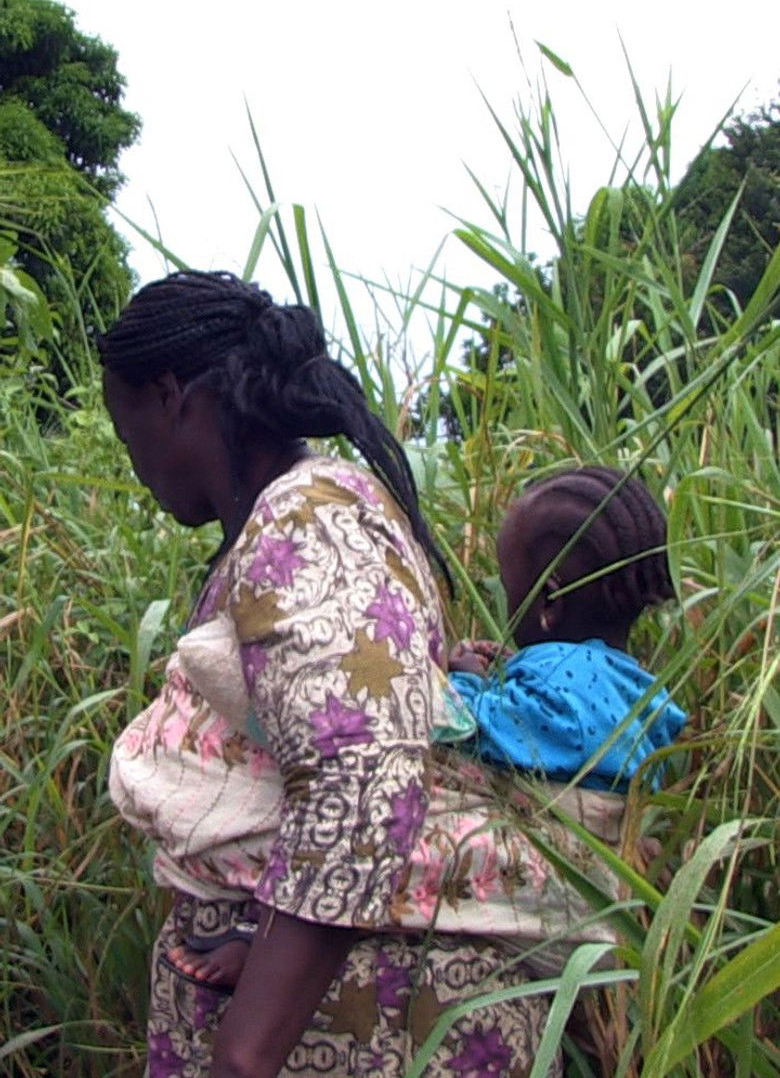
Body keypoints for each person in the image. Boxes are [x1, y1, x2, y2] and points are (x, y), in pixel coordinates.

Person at [100, 271, 623, 1078]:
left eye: (125, 427)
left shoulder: (310, 520)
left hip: (367, 1031)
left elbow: (361, 774)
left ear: (170, 396)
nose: (132, 461)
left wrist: (245, 1051)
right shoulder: (302, 519)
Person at [447, 467, 687, 791]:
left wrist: (467, 680)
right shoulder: (642, 691)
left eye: (507, 586)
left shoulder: (557, 683)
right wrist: (518, 672)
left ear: (548, 601)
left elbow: (464, 728)